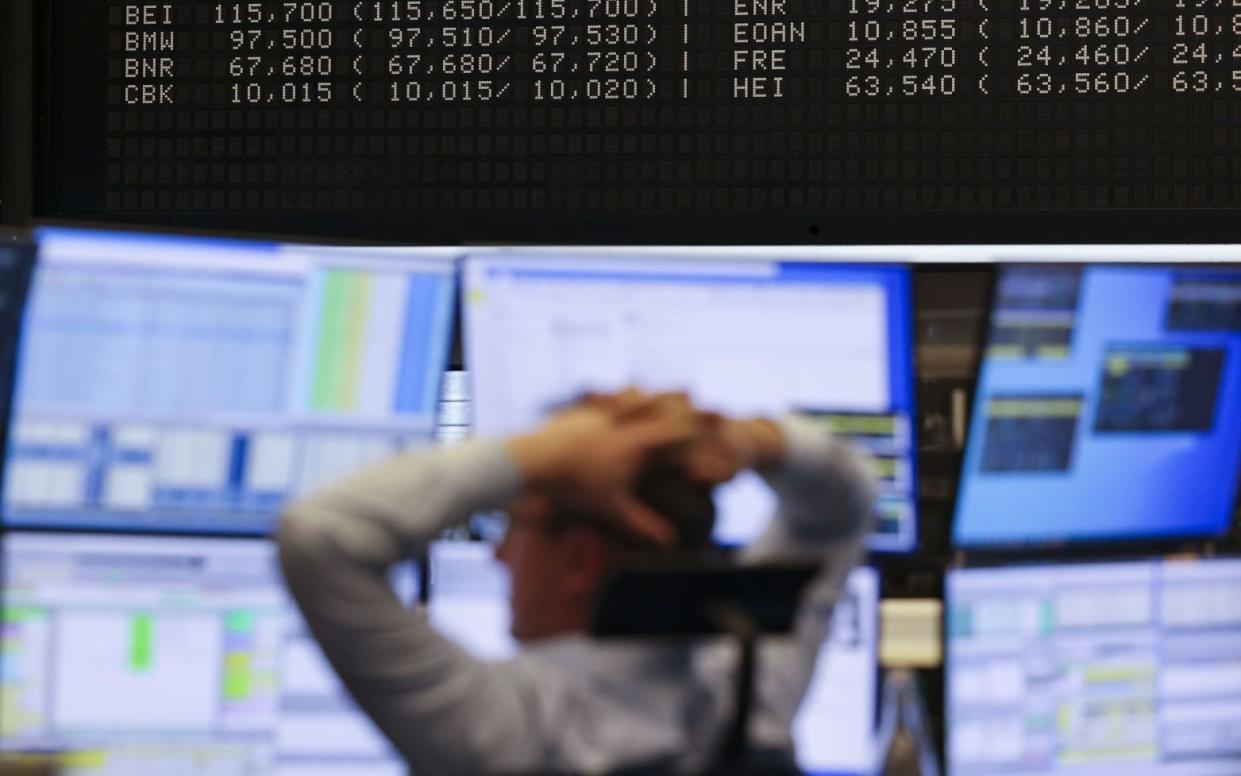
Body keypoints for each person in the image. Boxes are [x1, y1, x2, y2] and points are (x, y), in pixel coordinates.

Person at [278, 390, 876, 775]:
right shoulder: (748, 688)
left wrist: (541, 455)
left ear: (579, 561)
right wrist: (751, 441)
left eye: (515, 524)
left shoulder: (516, 733)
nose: (500, 556)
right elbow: (841, 506)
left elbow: (321, 537)